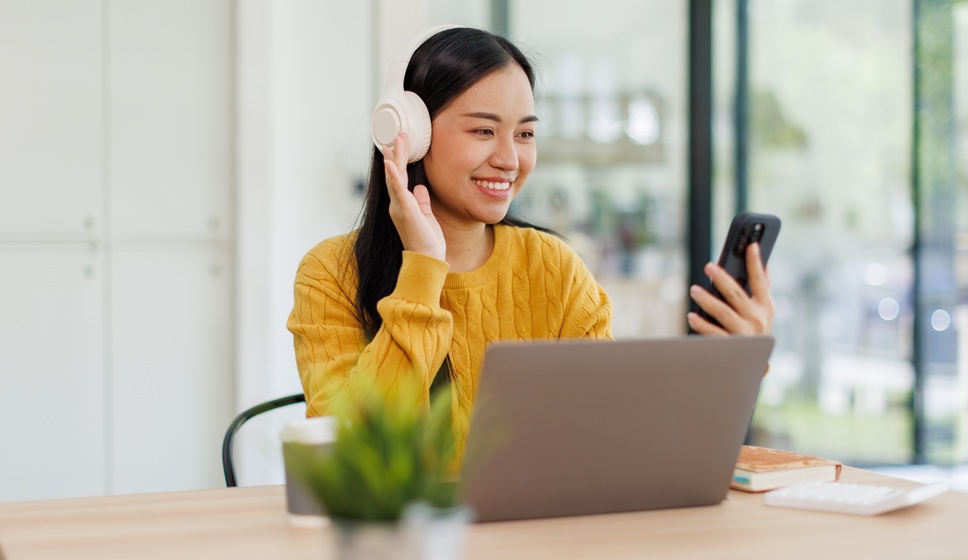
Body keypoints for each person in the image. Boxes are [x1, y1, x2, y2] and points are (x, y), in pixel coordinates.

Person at [286, 26, 774, 457]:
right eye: (483, 130)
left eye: (524, 134)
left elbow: (620, 437)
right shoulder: (330, 274)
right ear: (410, 136)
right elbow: (353, 452)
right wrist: (421, 270)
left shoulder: (553, 267)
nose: (509, 158)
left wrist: (733, 369)